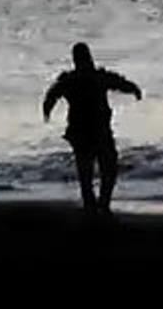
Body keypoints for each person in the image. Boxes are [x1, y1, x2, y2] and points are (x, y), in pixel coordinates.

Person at [42, 43, 142, 215]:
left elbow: (51, 96)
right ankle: (101, 202)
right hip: (95, 130)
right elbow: (121, 83)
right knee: (106, 167)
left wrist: (47, 111)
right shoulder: (95, 77)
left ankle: (94, 202)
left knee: (88, 170)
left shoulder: (71, 79)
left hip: (83, 131)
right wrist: (134, 90)